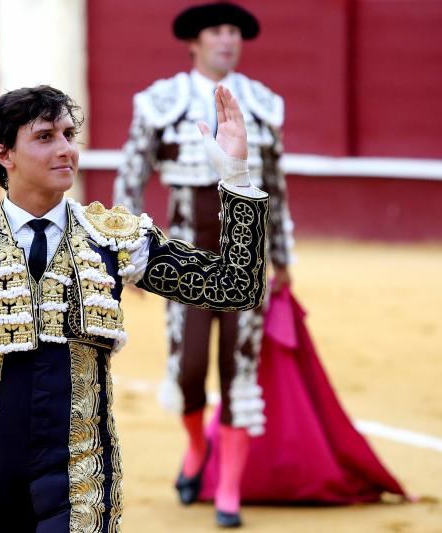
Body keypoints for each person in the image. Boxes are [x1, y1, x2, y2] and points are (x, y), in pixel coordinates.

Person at [0, 83, 269, 531]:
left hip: (83, 474)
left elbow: (236, 288)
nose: (65, 150)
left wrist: (236, 178)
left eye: (69, 134)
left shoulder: (113, 238)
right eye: (45, 137)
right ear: (4, 154)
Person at [113, 2, 292, 527]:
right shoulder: (159, 102)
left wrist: (280, 256)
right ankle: (196, 450)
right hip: (185, 254)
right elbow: (130, 177)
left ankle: (229, 490)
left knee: (239, 370)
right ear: (195, 40)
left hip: (248, 251)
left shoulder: (261, 104)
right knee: (190, 369)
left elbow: (276, 188)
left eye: (233, 31)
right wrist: (131, 256)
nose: (226, 40)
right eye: (216, 31)